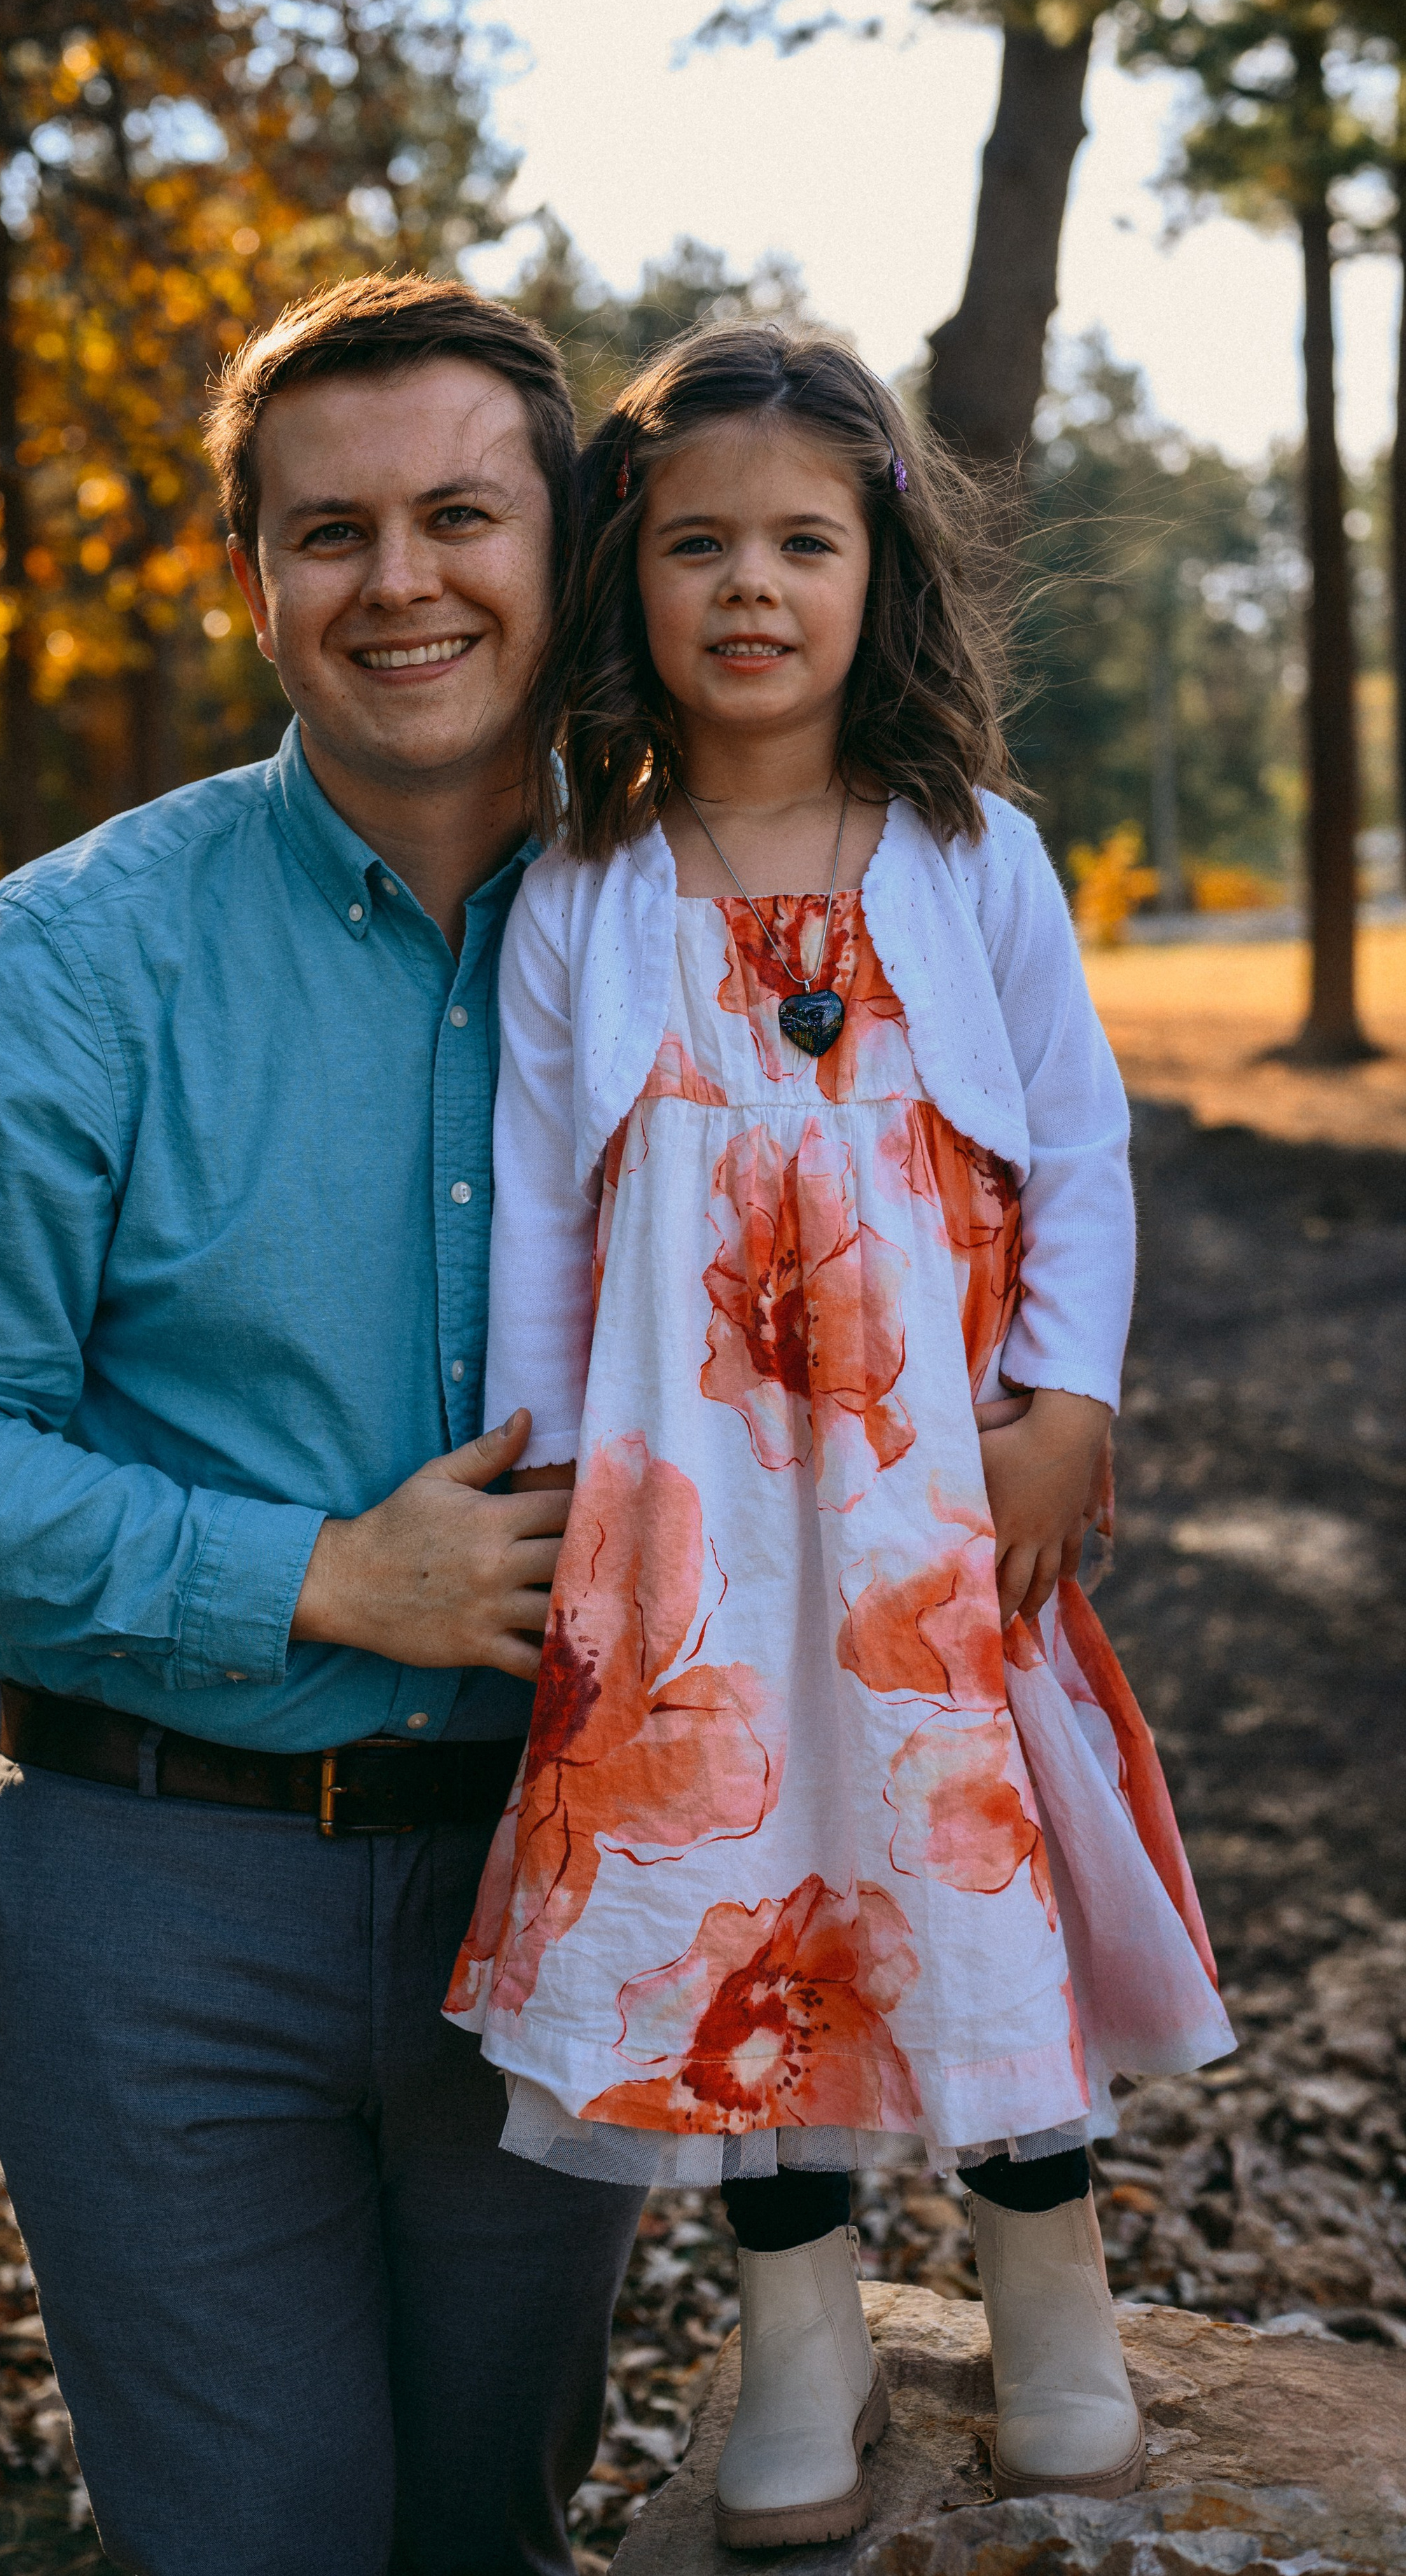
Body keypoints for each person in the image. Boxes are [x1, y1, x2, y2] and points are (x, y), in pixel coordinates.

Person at [0, 275, 649, 2576]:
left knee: (496, 2530)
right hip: (157, 1897)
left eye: (464, 515)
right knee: (260, 2539)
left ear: (565, 547)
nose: (402, 583)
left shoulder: (694, 928)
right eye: (329, 531)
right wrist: (313, 1572)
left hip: (566, 1884)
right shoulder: (75, 957)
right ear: (254, 578)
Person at [443, 322, 1236, 2552]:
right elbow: (541, 1204)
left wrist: (1068, 1395)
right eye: (696, 544)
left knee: (968, 1880)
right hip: (692, 1510)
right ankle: (798, 2323)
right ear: (629, 578)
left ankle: (1046, 2286)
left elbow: (1074, 1148)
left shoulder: (972, 852)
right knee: (737, 1913)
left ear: (883, 572)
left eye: (803, 539)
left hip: (930, 1495)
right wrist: (551, 1489)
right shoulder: (589, 885)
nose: (751, 587)